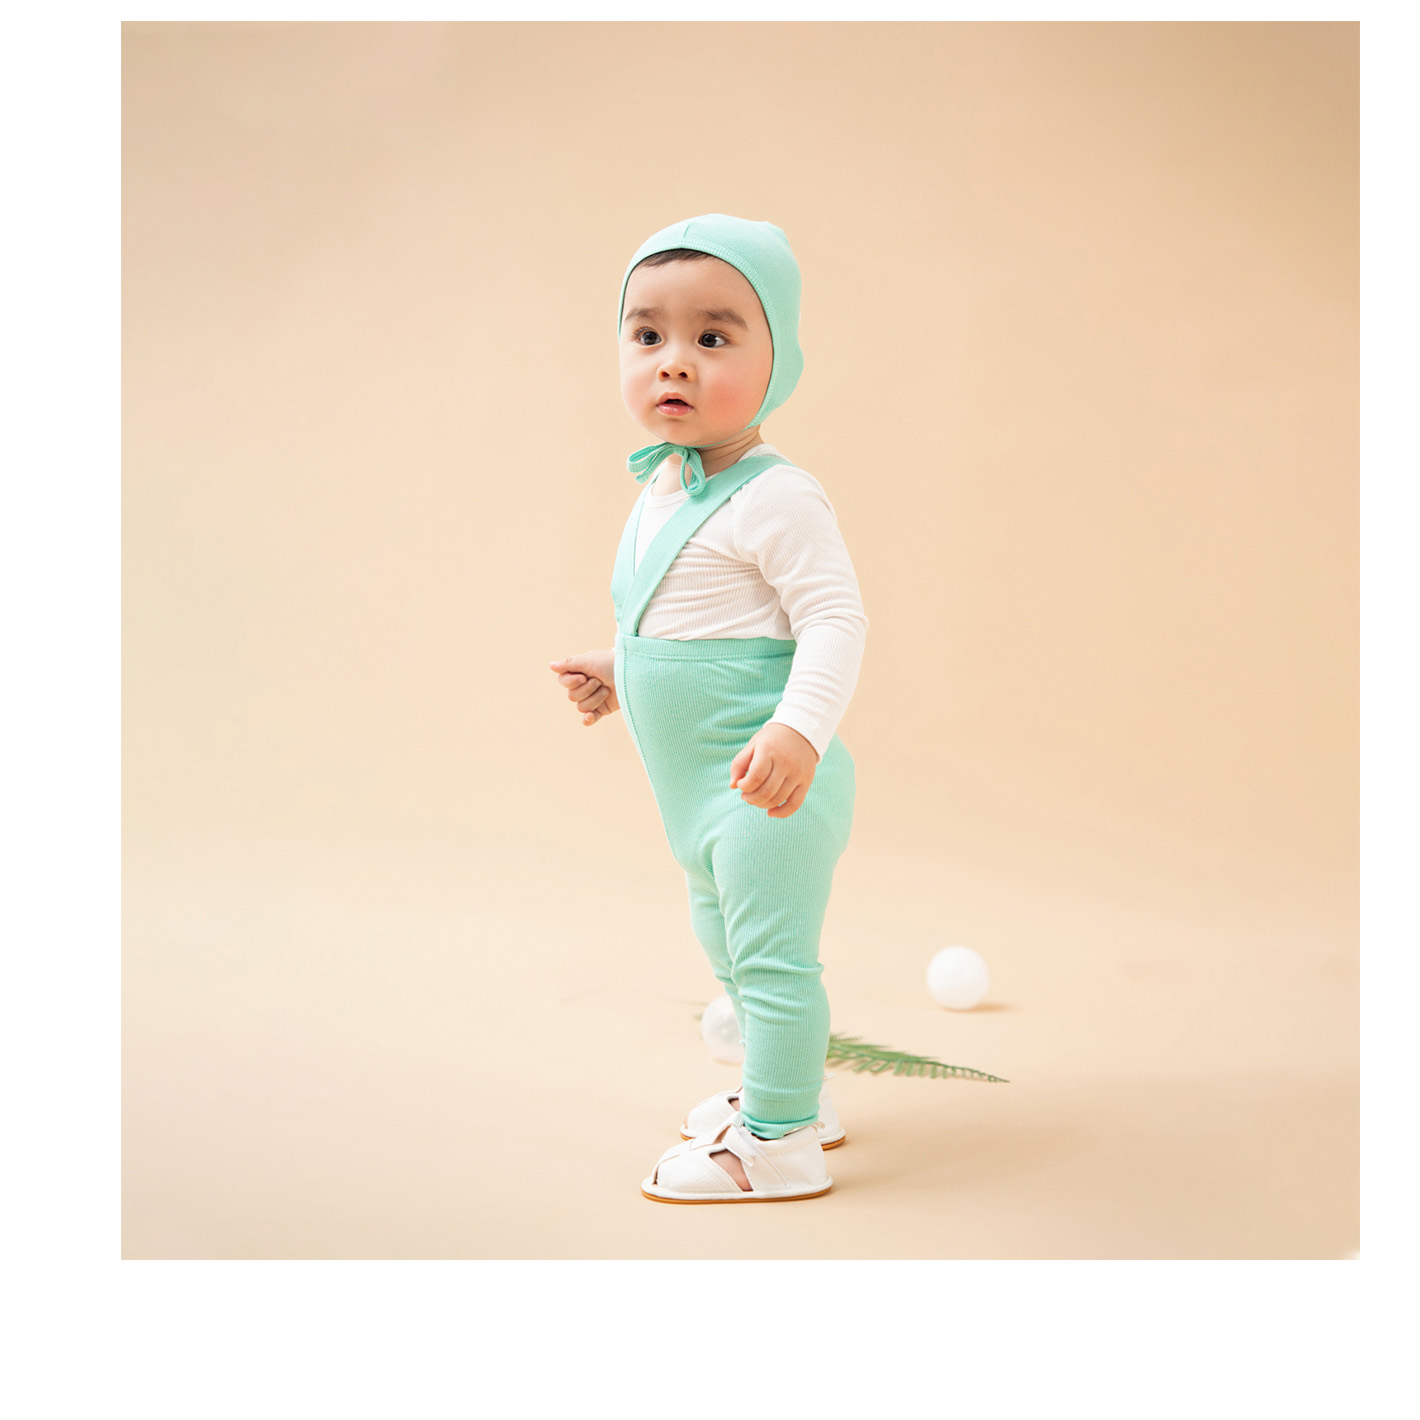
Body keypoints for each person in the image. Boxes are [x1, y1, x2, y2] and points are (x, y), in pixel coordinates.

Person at [549, 214, 868, 1203]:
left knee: (772, 964)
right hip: (697, 801)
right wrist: (623, 667)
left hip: (766, 787)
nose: (674, 361)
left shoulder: (777, 496)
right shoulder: (665, 487)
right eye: (647, 335)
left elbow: (833, 620)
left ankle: (775, 1144)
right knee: (729, 952)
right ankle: (791, 1095)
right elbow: (698, 625)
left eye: (714, 337)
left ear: (780, 362)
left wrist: (797, 731)